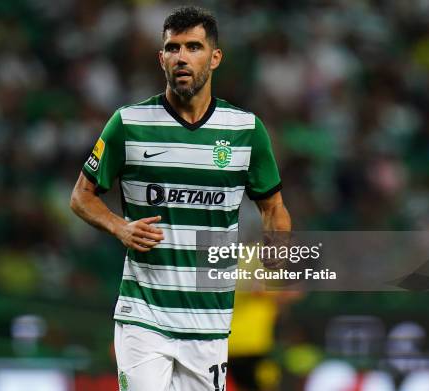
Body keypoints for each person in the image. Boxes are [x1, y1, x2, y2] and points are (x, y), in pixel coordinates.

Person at [70, 6, 291, 391]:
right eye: (173, 48)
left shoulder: (245, 130)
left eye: (193, 47)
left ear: (215, 57)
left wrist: (276, 255)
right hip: (144, 313)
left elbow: (273, 208)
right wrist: (119, 227)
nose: (182, 57)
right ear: (162, 58)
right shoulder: (129, 124)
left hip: (210, 322)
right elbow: (81, 196)